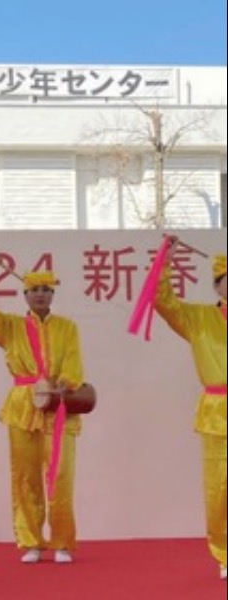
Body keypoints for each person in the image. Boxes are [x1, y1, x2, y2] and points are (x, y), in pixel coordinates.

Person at [0, 253, 85, 565]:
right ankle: (31, 541)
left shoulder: (68, 328)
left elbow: (74, 363)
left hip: (57, 403)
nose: (40, 294)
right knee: (25, 477)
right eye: (34, 290)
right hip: (22, 405)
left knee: (59, 475)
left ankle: (62, 540)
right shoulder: (10, 326)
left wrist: (65, 382)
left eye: (46, 290)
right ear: (24, 295)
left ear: (53, 295)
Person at [153, 241, 226, 580]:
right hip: (217, 413)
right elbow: (162, 301)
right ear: (217, 285)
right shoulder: (198, 318)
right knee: (219, 489)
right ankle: (225, 552)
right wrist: (165, 264)